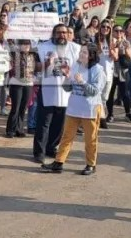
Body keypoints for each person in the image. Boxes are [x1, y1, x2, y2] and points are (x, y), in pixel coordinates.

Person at [43, 44, 108, 176]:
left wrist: (82, 82)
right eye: (81, 52)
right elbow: (68, 89)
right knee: (66, 137)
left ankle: (91, 164)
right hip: (73, 108)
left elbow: (94, 92)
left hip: (90, 109)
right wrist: (66, 78)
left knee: (90, 139)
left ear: (91, 55)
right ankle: (58, 162)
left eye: (84, 52)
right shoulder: (76, 66)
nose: (81, 54)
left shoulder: (98, 70)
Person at [33, 23, 81, 163]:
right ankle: (39, 152)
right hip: (48, 90)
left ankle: (51, 148)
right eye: (59, 32)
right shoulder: (43, 47)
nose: (62, 35)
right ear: (53, 34)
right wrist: (47, 64)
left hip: (66, 92)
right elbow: (34, 67)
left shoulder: (75, 48)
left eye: (65, 33)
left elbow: (81, 66)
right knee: (44, 123)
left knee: (60, 124)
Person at [6, 40, 37, 138]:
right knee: (15, 107)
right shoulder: (15, 54)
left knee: (23, 108)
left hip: (28, 83)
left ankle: (19, 129)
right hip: (16, 83)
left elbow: (35, 69)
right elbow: (10, 44)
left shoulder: (33, 56)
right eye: (24, 44)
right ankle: (10, 129)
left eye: (28, 44)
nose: (26, 46)